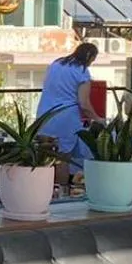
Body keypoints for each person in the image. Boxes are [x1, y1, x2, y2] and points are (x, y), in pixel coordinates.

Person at [38, 42, 100, 175]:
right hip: (65, 119)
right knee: (63, 158)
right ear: (90, 57)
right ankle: (62, 191)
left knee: (44, 159)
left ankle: (44, 189)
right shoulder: (82, 72)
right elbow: (84, 103)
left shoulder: (56, 64)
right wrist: (98, 119)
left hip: (44, 116)